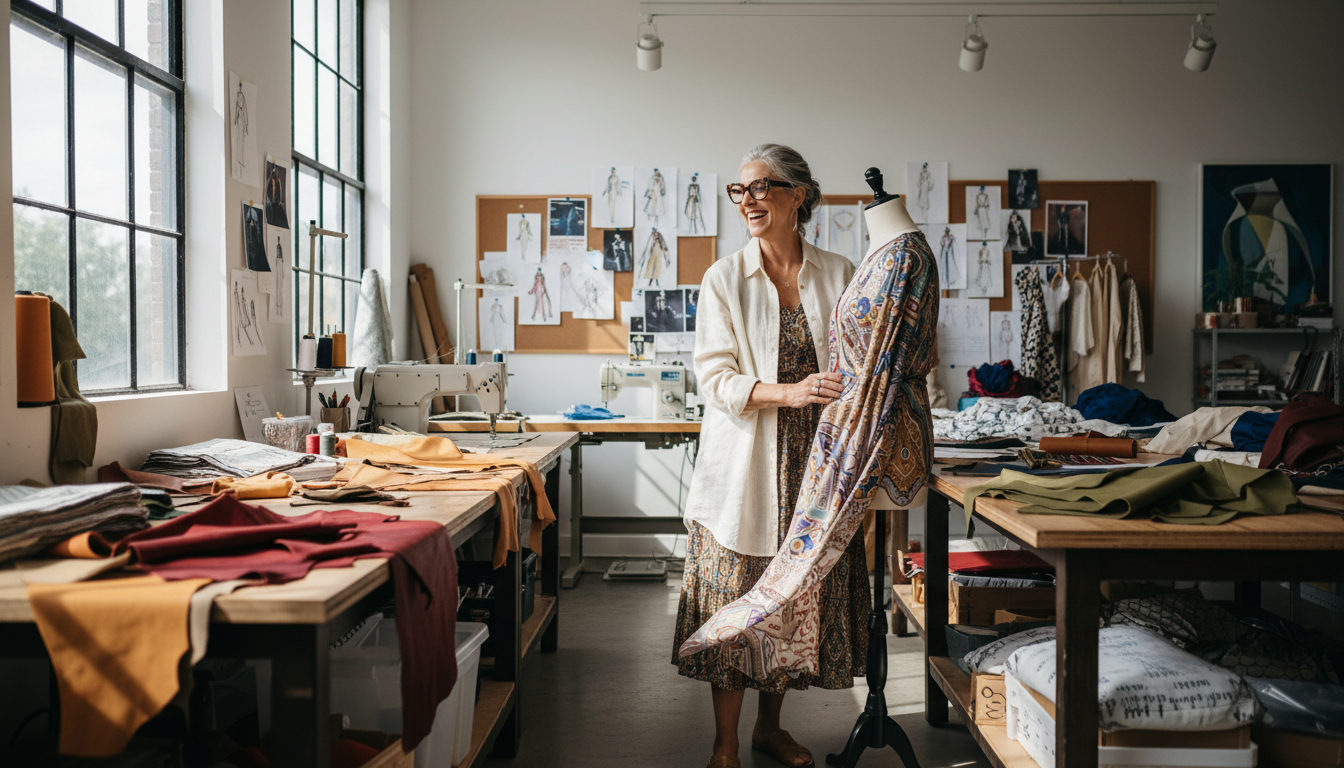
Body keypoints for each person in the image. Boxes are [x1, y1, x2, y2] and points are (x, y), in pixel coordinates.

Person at [674, 143, 859, 768]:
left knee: (788, 603)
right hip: (746, 466)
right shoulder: (724, 278)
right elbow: (714, 377)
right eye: (740, 191)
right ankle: (724, 744)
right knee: (735, 599)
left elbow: (861, 365)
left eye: (762, 188)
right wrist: (790, 392)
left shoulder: (840, 273)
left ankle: (767, 730)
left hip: (818, 466)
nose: (749, 201)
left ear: (797, 195)